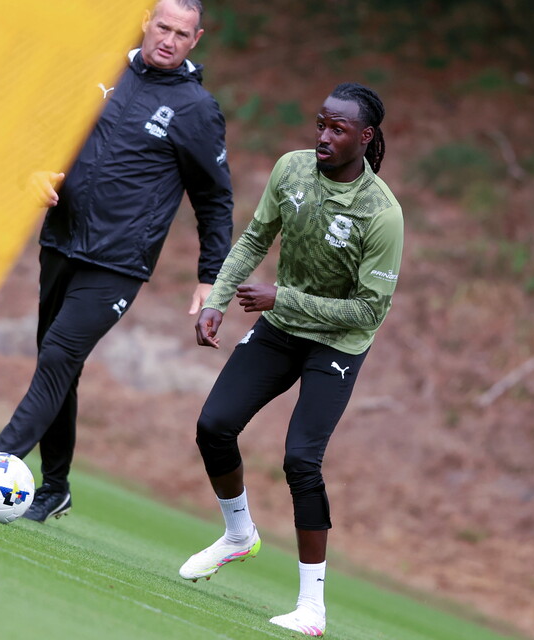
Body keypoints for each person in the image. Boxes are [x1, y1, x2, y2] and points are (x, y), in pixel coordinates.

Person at [0, 0, 233, 523]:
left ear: (195, 40)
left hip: (117, 263)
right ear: (145, 22)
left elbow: (215, 198)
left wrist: (210, 275)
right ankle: (57, 487)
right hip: (61, 240)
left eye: (182, 33)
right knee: (57, 362)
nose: (169, 39)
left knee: (59, 355)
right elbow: (46, 135)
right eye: (163, 26)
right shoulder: (100, 72)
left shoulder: (196, 110)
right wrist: (34, 173)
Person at [178, 82, 403, 637]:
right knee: (214, 425)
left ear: (365, 136)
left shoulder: (382, 214)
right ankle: (238, 535)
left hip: (337, 343)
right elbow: (255, 239)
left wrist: (283, 296)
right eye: (321, 123)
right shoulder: (292, 170)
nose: (323, 136)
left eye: (338, 129)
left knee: (301, 460)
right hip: (281, 328)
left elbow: (369, 311)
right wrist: (219, 300)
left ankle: (312, 609)